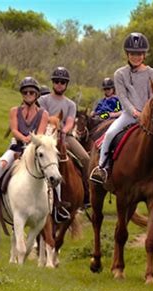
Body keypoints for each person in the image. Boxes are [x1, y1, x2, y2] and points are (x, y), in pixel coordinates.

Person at [90, 32, 153, 197]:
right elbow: (122, 97)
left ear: (144, 55)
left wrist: (145, 113)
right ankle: (102, 169)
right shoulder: (119, 74)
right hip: (128, 115)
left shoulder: (152, 73)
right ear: (127, 54)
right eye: (132, 54)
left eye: (139, 54)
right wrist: (134, 112)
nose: (135, 57)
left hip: (149, 115)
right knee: (109, 134)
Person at [0, 77, 49, 213]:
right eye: (25, 92)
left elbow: (41, 133)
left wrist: (31, 140)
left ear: (37, 94)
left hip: (34, 150)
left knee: (52, 170)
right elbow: (14, 130)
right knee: (0, 165)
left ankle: (56, 203)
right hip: (16, 147)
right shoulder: (14, 111)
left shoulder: (44, 114)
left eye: (31, 92)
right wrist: (24, 138)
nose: (28, 95)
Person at [38, 66, 91, 206]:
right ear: (53, 82)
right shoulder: (43, 100)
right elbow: (43, 119)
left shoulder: (71, 104)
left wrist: (63, 131)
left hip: (64, 135)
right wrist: (52, 130)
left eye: (62, 82)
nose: (59, 84)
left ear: (66, 84)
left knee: (85, 158)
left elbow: (69, 122)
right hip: (46, 134)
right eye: (56, 81)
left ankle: (87, 192)